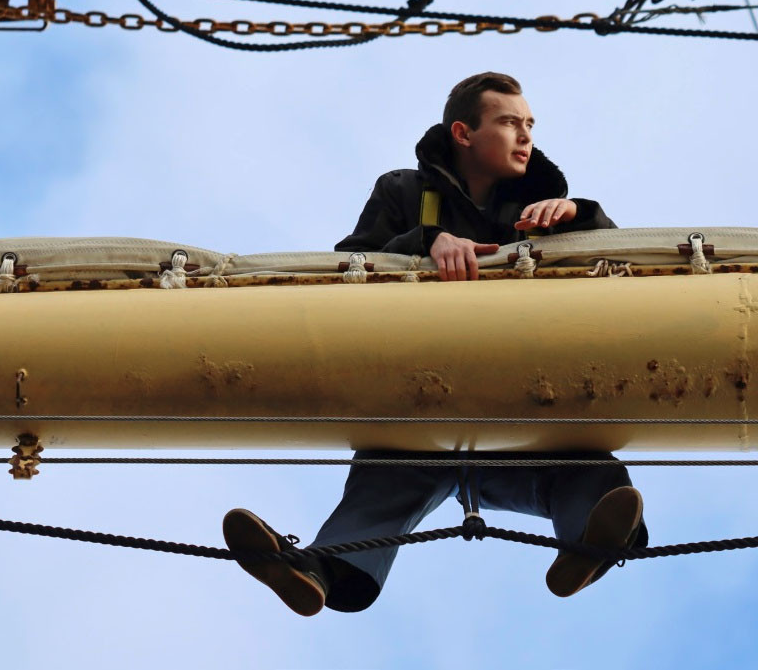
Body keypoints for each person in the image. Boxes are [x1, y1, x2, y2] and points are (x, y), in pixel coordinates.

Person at [223, 72, 647, 615]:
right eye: (509, 122)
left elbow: (619, 266)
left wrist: (579, 214)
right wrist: (426, 243)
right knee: (386, 480)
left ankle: (591, 545)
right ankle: (317, 573)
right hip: (421, 399)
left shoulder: (547, 208)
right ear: (463, 133)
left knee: (588, 469)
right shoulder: (403, 191)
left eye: (529, 124)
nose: (525, 136)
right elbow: (350, 264)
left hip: (513, 405)